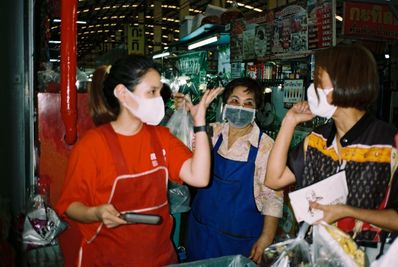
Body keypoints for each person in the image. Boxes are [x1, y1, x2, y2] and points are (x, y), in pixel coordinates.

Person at [55, 54, 222, 267]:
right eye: (151, 92)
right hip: (107, 260)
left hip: (159, 258)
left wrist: (199, 123)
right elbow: (70, 205)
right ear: (123, 94)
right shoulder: (92, 145)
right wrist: (94, 213)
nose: (159, 99)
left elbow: (199, 178)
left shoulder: (161, 137)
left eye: (159, 92)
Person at [265, 44, 398, 262]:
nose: (313, 87)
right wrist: (289, 122)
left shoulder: (390, 145)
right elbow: (273, 179)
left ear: (345, 80)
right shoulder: (317, 139)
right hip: (315, 256)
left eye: (319, 79)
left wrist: (348, 211)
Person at [184, 77, 283, 264]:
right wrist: (189, 116)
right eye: (235, 101)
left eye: (248, 103)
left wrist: (266, 238)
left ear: (256, 110)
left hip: (239, 241)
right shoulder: (210, 133)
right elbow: (183, 152)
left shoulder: (266, 147)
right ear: (225, 104)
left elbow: (273, 198)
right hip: (201, 233)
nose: (240, 107)